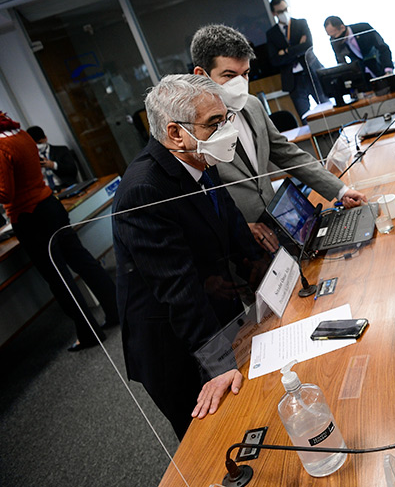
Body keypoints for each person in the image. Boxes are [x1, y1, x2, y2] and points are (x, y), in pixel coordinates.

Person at [112, 74, 266, 439]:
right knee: (211, 437)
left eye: (226, 119)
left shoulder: (200, 158)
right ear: (175, 133)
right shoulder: (143, 189)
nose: (226, 130)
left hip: (214, 306)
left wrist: (269, 274)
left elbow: (231, 224)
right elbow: (177, 289)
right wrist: (219, 363)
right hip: (171, 342)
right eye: (214, 123)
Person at [191, 24, 366, 253]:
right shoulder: (189, 130)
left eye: (245, 74)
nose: (240, 83)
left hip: (278, 228)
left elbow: (287, 154)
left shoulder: (252, 105)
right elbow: (195, 202)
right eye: (229, 75)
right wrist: (240, 227)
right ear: (201, 75)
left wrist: (340, 190)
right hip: (236, 246)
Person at [0, 113, 118, 352]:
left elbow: (5, 194)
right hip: (49, 206)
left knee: (59, 278)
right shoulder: (20, 134)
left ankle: (88, 333)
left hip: (29, 216)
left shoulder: (1, 147)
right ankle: (116, 310)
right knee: (83, 261)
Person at [265, 0, 325, 118]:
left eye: (286, 9)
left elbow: (308, 46)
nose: (284, 13)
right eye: (280, 11)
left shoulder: (300, 24)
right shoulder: (271, 34)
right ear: (274, 13)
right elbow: (275, 60)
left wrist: (286, 51)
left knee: (327, 107)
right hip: (293, 80)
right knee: (305, 117)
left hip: (311, 72)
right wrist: (298, 49)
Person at [323, 16, 394, 78]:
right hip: (363, 76)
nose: (335, 39)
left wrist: (388, 70)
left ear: (342, 27)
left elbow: (383, 48)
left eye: (335, 35)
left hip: (381, 68)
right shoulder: (335, 42)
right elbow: (342, 63)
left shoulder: (363, 28)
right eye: (331, 36)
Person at [25, 125, 79, 189]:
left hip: (65, 186)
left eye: (39, 143)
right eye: (34, 145)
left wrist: (53, 165)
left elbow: (73, 170)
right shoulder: (29, 158)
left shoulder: (61, 150)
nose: (38, 146)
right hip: (45, 190)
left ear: (45, 138)